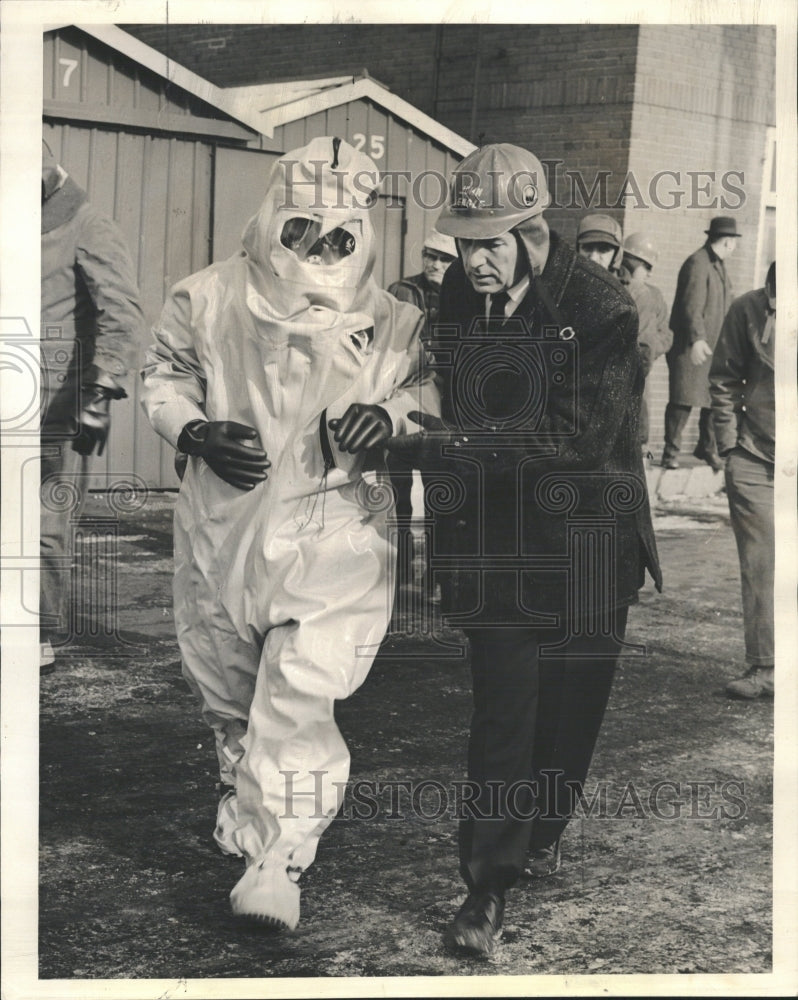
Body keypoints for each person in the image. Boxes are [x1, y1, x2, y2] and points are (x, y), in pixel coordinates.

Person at [140, 137, 440, 932]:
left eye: (338, 238)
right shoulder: (205, 297)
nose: (317, 252)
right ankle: (247, 819)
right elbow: (164, 373)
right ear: (273, 217)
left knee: (302, 690)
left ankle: (278, 860)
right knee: (230, 692)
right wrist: (197, 431)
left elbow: (423, 390)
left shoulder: (392, 320)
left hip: (333, 527)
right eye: (300, 232)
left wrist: (394, 418)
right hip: (223, 530)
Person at [387, 143, 661, 958]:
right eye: (464, 243)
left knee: (566, 729)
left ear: (534, 232)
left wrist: (443, 444)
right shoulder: (457, 297)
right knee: (505, 715)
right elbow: (449, 399)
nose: (473, 260)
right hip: (503, 547)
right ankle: (487, 886)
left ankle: (538, 835)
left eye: (490, 243)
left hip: (588, 546)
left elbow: (575, 438)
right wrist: (446, 551)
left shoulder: (605, 306)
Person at [40, 139, 143, 672]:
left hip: (54, 409)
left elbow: (121, 314)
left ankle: (33, 634)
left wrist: (99, 396)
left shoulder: (89, 225)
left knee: (42, 527)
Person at [710, 262, 775, 700]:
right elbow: (724, 379)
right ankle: (765, 666)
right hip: (755, 458)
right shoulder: (745, 310)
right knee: (762, 564)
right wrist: (730, 447)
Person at [386, 230, 457, 602]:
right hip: (401, 401)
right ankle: (395, 573)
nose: (435, 264)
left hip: (441, 409)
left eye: (445, 259)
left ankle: (437, 575)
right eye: (430, 255)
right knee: (397, 492)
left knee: (439, 495)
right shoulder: (401, 291)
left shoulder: (464, 298)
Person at [662, 216, 740, 471]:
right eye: (733, 242)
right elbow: (691, 306)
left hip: (712, 347)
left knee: (710, 399)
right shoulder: (698, 263)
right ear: (727, 242)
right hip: (691, 346)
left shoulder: (717, 265)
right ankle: (669, 454)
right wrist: (697, 339)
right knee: (683, 399)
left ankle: (706, 449)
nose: (734, 247)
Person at [618, 233, 672, 460]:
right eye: (647, 266)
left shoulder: (654, 295)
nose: (650, 273)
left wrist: (650, 350)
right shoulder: (614, 288)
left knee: (637, 418)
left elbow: (666, 334)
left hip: (639, 369)